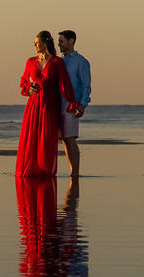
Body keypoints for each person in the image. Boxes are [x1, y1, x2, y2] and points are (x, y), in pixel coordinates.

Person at [16, 30, 81, 177]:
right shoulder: (30, 61)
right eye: (34, 43)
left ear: (45, 43)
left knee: (46, 139)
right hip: (33, 105)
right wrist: (29, 87)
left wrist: (73, 102)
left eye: (37, 43)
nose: (34, 46)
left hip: (50, 104)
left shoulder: (57, 62)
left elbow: (65, 85)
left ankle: (45, 172)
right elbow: (24, 81)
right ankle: (30, 171)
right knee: (31, 138)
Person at [57, 30, 92, 177]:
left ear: (71, 42)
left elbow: (86, 85)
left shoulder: (81, 61)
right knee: (63, 140)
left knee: (70, 138)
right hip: (56, 104)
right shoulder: (58, 61)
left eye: (61, 41)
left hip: (71, 105)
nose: (59, 44)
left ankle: (75, 173)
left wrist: (82, 104)